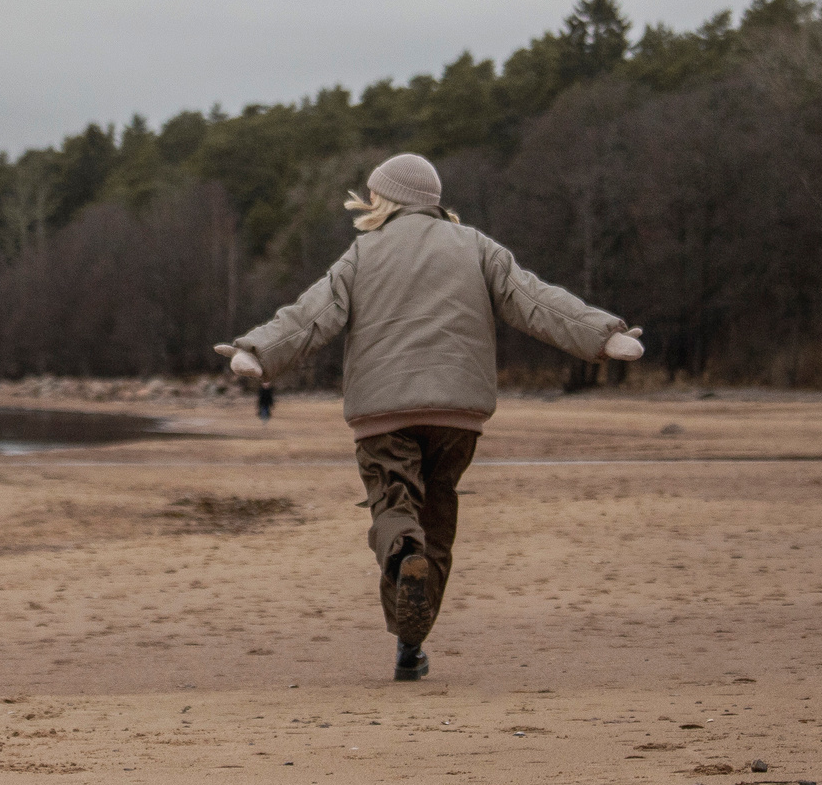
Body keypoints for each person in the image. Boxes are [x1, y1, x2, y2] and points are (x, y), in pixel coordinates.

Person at [216, 153, 643, 682]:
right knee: (437, 518)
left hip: (383, 412)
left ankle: (401, 555)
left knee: (395, 509)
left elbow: (312, 314)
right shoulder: (477, 248)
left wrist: (257, 351)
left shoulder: (362, 254)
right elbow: (537, 301)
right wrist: (604, 335)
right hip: (457, 414)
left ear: (387, 199)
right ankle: (410, 648)